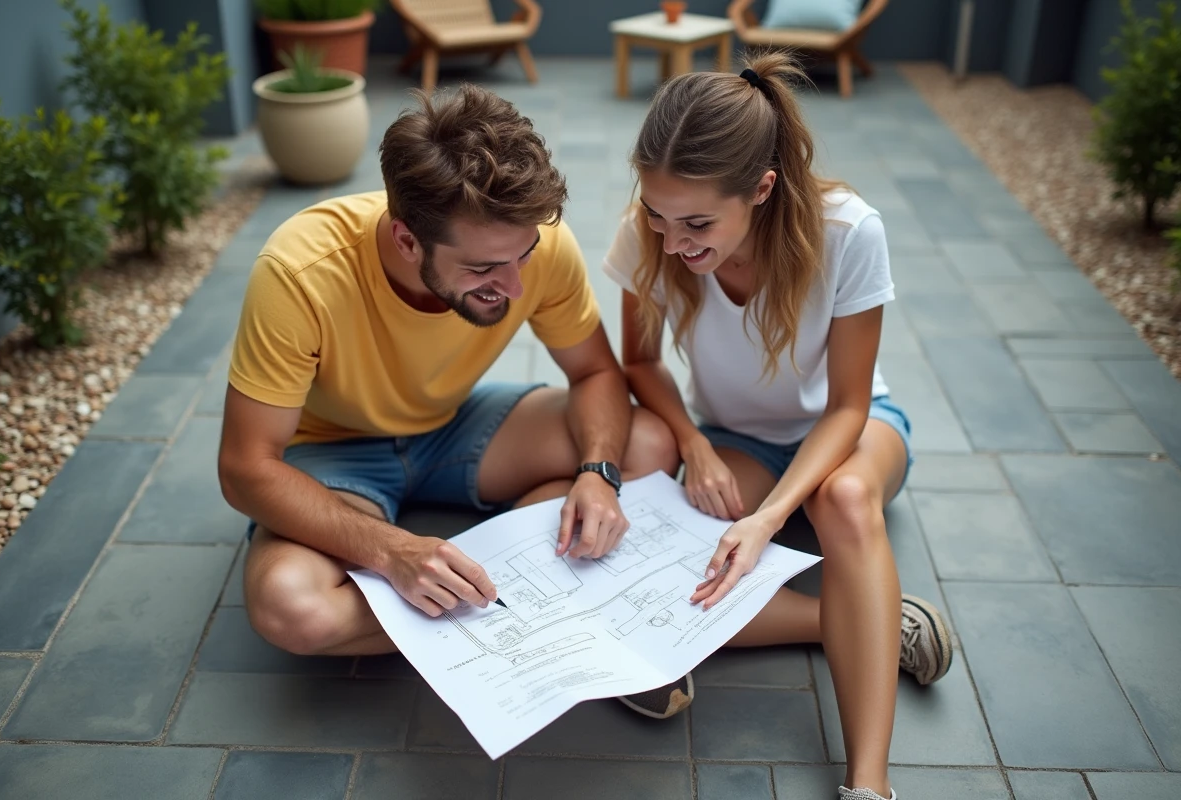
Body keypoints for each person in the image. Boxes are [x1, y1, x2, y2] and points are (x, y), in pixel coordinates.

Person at [216, 83, 691, 718]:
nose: (514, 284)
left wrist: (598, 474)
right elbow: (246, 468)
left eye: (523, 255)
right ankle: (530, 599)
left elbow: (595, 373)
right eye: (484, 269)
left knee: (648, 443)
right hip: (334, 457)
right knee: (293, 610)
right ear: (407, 240)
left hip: (455, 428)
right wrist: (391, 550)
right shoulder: (300, 271)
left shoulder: (530, 245)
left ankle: (497, 588)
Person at [602, 54, 955, 800]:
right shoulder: (648, 234)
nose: (672, 242)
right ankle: (871, 621)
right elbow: (640, 362)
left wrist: (769, 517)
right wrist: (695, 445)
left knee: (842, 501)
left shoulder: (848, 231)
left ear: (761, 189)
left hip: (852, 429)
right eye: (658, 215)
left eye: (698, 223)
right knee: (678, 574)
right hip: (736, 439)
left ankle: (869, 785)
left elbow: (848, 405)